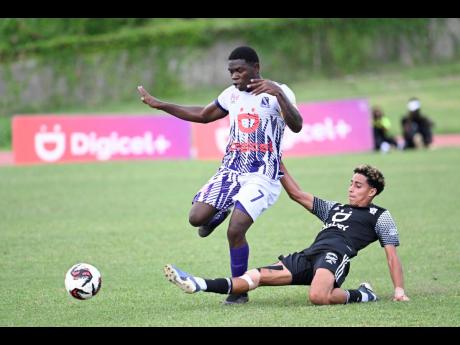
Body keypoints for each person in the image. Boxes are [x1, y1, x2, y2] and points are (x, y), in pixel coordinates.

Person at [137, 46, 303, 304]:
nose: (234, 76)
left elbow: (297, 125)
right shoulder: (230, 95)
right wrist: (161, 105)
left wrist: (279, 94)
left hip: (262, 174)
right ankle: (220, 210)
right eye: (231, 71)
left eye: (240, 70)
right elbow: (203, 116)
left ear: (256, 68)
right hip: (231, 171)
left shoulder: (277, 92)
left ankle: (239, 292)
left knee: (235, 230)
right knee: (196, 218)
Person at [163, 162, 410, 305]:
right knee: (253, 277)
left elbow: (391, 255)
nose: (351, 189)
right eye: (351, 183)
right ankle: (198, 284)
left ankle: (362, 294)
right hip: (308, 255)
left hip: (334, 256)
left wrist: (399, 290)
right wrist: (278, 164)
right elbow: (298, 195)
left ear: (372, 192)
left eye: (358, 186)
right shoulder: (335, 208)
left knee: (317, 297)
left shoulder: (380, 216)